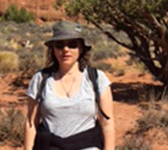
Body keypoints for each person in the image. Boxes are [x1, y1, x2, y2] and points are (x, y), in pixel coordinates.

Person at [24, 21, 115, 150]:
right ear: (53, 49)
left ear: (81, 48)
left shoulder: (96, 79)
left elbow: (107, 123)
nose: (65, 50)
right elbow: (31, 123)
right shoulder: (40, 79)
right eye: (59, 45)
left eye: (72, 45)